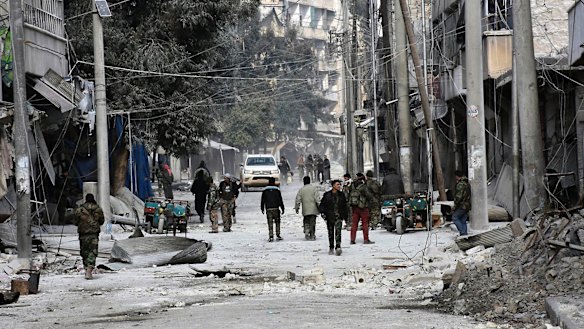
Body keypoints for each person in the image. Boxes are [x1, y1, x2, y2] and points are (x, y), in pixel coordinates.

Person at [73, 193, 105, 280]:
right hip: (94, 234)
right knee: (92, 251)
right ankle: (89, 269)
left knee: (84, 251)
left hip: (83, 234)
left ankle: (86, 267)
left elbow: (75, 222)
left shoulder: (80, 210)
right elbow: (102, 221)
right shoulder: (98, 209)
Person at [319, 180, 348, 256]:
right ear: (333, 186)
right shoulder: (327, 195)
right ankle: (331, 247)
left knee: (338, 232)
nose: (339, 186)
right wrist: (323, 213)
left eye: (340, 185)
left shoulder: (342, 195)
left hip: (339, 216)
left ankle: (338, 246)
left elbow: (345, 206)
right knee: (331, 233)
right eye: (337, 184)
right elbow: (322, 205)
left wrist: (346, 216)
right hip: (329, 216)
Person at [349, 173, 375, 245]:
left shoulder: (352, 186)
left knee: (354, 224)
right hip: (363, 207)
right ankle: (366, 239)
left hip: (354, 207)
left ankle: (352, 240)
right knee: (365, 224)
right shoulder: (363, 186)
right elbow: (369, 196)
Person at [294, 176, 320, 240]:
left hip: (305, 209)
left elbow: (298, 199)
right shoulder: (314, 189)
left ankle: (306, 231)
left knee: (306, 221)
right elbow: (317, 199)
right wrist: (320, 207)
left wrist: (297, 207)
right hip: (313, 209)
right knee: (313, 222)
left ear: (303, 182)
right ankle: (312, 235)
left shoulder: (301, 190)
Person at [261, 177, 285, 242]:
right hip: (276, 208)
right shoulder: (277, 190)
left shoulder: (265, 190)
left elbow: (263, 200)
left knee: (270, 222)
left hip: (268, 208)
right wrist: (282, 208)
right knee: (277, 222)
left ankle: (271, 235)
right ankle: (278, 234)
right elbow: (280, 200)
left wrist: (262, 208)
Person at [453, 170, 471, 236]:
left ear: (457, 176)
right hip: (467, 205)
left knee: (455, 217)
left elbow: (458, 197)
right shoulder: (467, 183)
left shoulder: (460, 184)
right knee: (463, 220)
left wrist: (455, 206)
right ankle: (465, 235)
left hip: (462, 205)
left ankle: (463, 233)